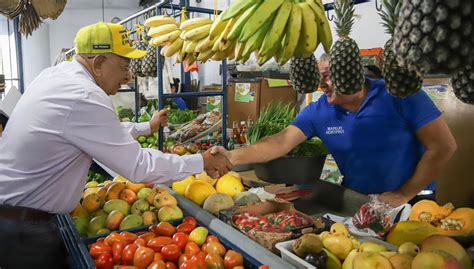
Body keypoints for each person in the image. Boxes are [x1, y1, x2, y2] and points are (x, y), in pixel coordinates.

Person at [0, 22, 230, 268]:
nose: (127, 76)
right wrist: (201, 161)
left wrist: (145, 127)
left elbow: (94, 130)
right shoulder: (84, 94)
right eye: (123, 66)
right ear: (98, 63)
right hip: (25, 230)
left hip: (16, 218)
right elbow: (139, 166)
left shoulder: (57, 76)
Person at [213, 53, 457, 208]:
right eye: (319, 78)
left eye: (328, 76)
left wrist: (404, 194)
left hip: (414, 201)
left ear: (352, 72)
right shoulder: (319, 110)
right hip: (359, 201)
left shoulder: (399, 94)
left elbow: (444, 146)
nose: (322, 85)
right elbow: (279, 142)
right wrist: (233, 156)